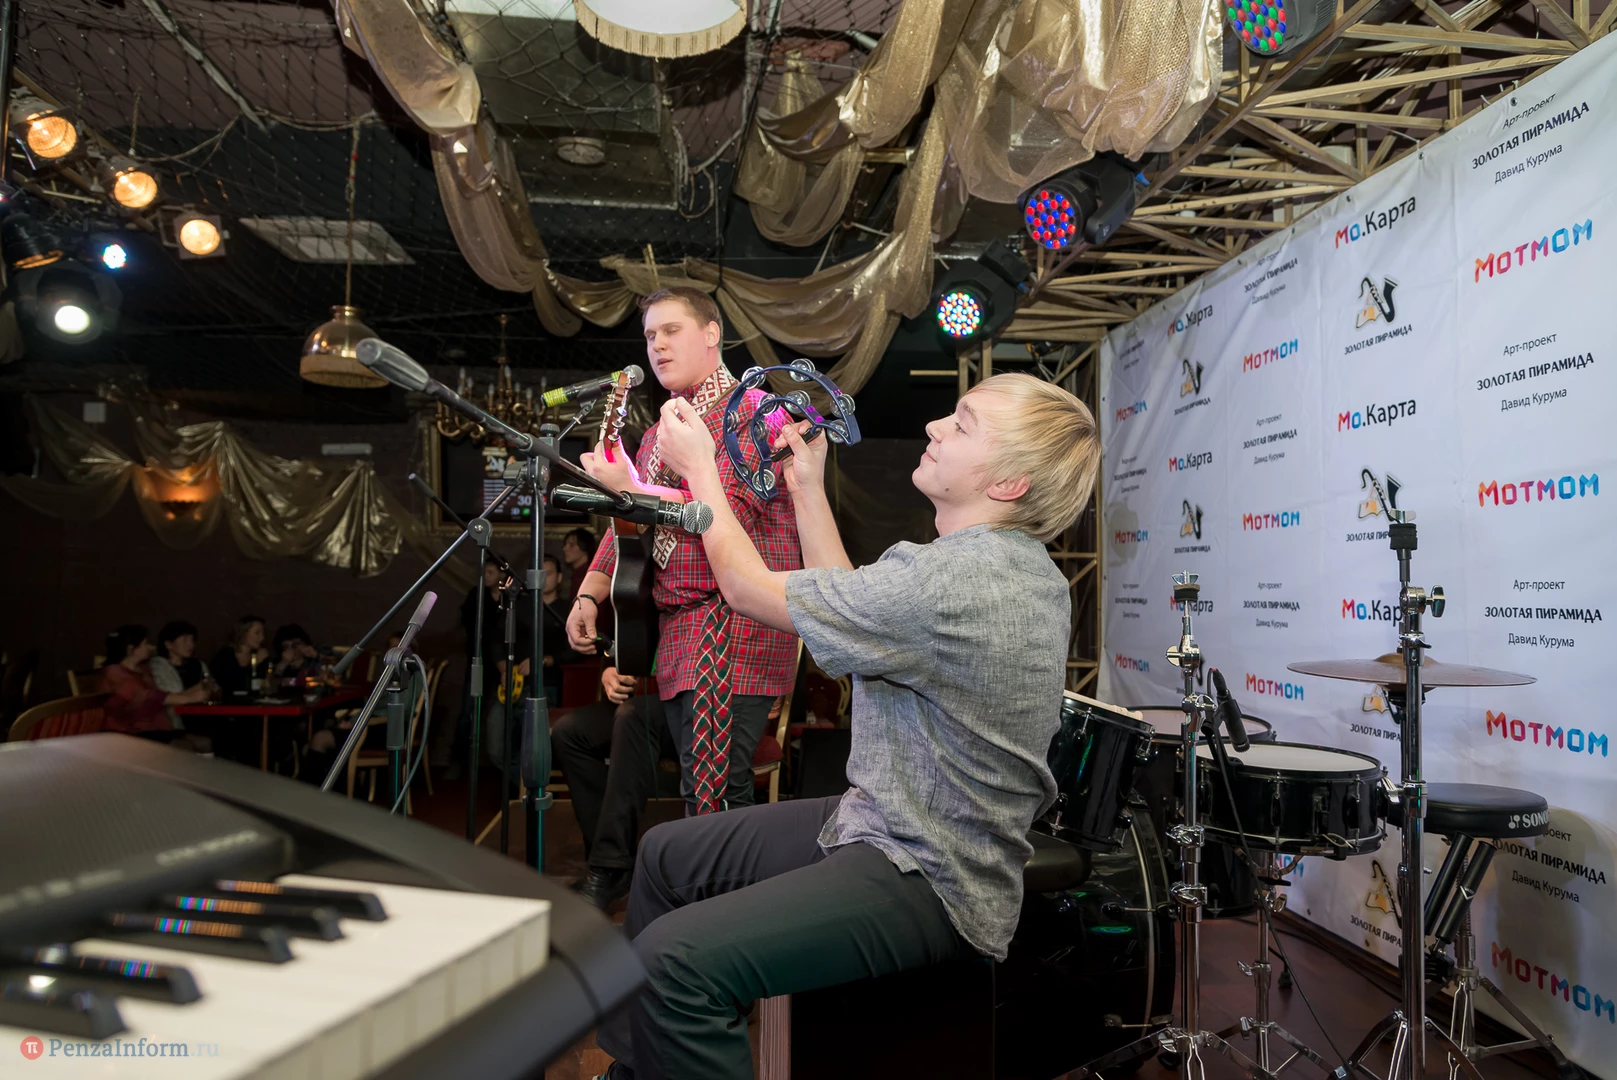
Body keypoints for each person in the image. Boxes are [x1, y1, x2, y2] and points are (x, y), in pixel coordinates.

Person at [595, 373, 1100, 1080]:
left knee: (674, 962)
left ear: (1008, 483)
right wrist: (805, 487)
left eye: (961, 424)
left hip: (930, 872)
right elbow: (846, 610)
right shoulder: (999, 568)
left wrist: (702, 469)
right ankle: (638, 1069)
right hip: (882, 820)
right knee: (664, 855)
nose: (934, 428)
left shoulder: (956, 582)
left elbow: (745, 588)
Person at [567, 287, 803, 904]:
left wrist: (629, 490)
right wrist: (590, 592)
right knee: (694, 783)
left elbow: (729, 510)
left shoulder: (757, 410)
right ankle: (684, 901)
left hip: (735, 621)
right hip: (680, 632)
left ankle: (732, 925)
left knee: (715, 792)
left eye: (672, 330)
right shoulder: (658, 434)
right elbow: (629, 528)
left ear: (712, 333)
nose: (658, 345)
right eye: (650, 335)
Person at [552, 665, 674, 909]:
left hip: (699, 704)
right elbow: (630, 651)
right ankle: (612, 864)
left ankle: (608, 868)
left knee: (632, 716)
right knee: (569, 732)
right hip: (648, 703)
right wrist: (612, 670)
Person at [100, 625, 213, 753]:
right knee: (184, 747)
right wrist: (190, 698)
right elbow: (148, 697)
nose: (150, 647)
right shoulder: (114, 673)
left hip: (155, 728)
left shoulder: (143, 670)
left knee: (204, 742)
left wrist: (196, 690)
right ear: (132, 649)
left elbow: (161, 695)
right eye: (145, 644)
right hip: (130, 730)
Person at [211, 615, 268, 696]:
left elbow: (263, 686)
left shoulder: (259, 655)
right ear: (243, 633)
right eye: (257, 633)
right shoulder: (225, 656)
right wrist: (254, 664)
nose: (262, 638)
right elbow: (233, 686)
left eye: (263, 633)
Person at [149, 621, 210, 694]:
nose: (191, 644)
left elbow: (214, 688)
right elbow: (167, 696)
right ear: (169, 644)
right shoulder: (159, 666)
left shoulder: (198, 664)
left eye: (192, 639)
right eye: (185, 640)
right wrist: (198, 689)